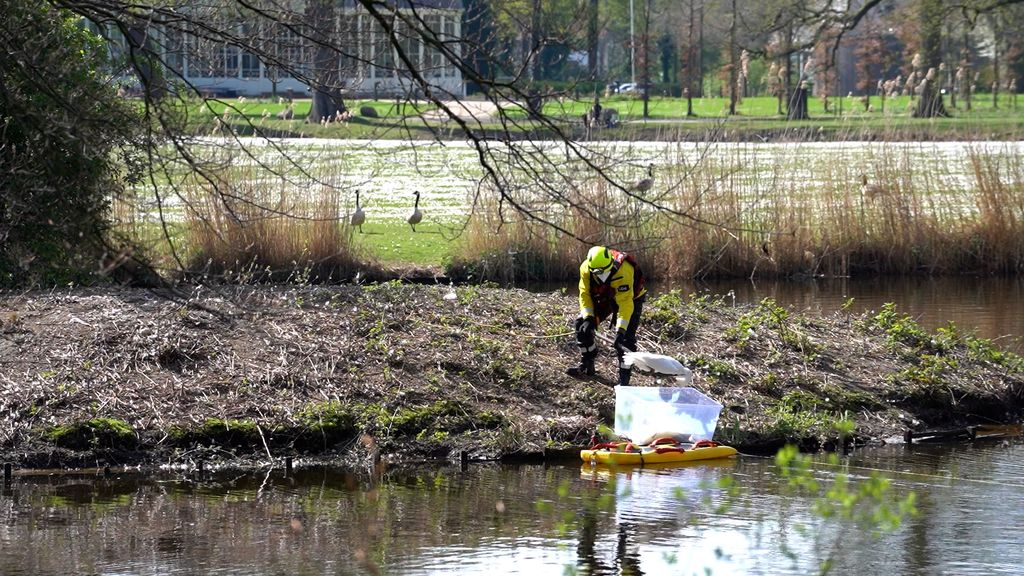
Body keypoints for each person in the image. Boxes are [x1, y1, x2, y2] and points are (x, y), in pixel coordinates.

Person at [567, 245, 647, 386]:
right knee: (581, 325)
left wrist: (620, 331)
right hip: (606, 296)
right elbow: (584, 294)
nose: (601, 275)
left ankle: (624, 379)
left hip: (631, 298)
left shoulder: (624, 270)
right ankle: (587, 363)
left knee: (626, 341)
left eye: (605, 271)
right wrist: (589, 317)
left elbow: (625, 303)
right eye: (597, 272)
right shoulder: (585, 269)